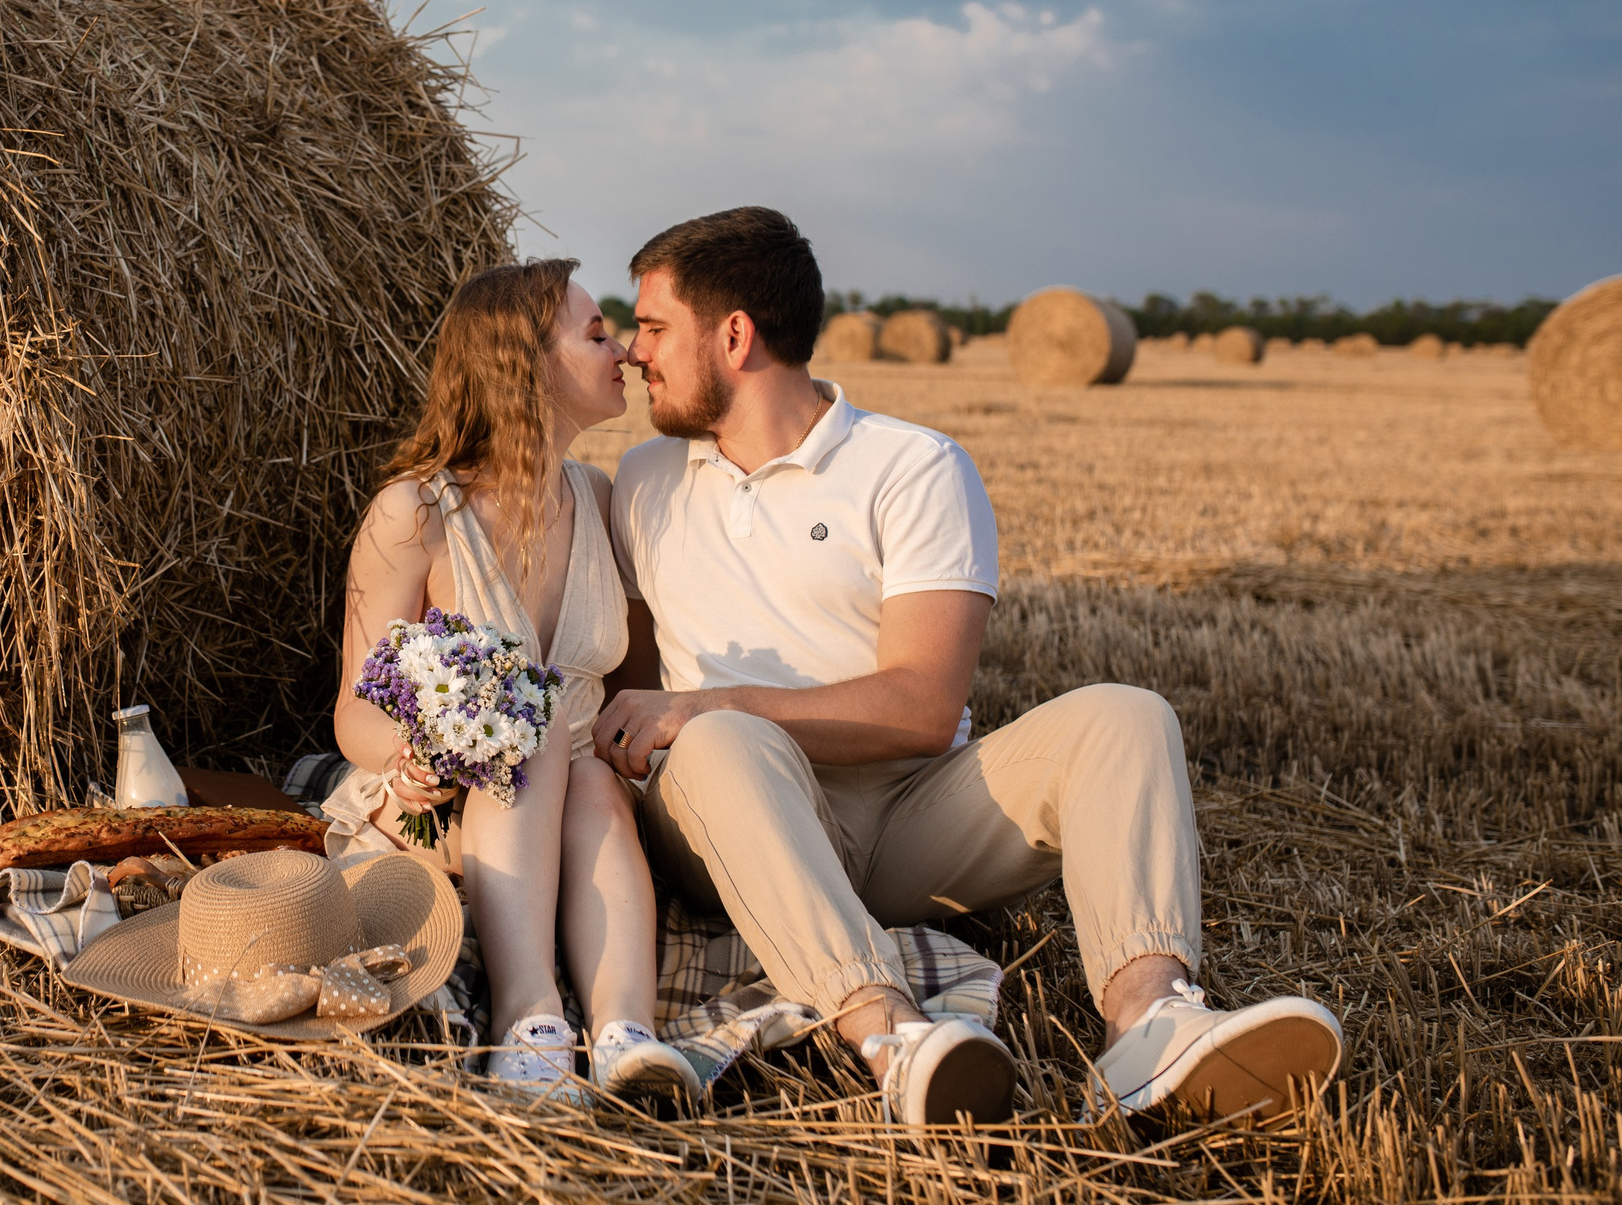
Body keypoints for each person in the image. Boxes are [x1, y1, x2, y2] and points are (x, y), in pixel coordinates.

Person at [595, 207, 1345, 1128]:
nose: (635, 351)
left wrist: (706, 700)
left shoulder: (912, 468)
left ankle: (1150, 1021)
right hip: (731, 811)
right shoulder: (643, 481)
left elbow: (919, 704)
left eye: (655, 327)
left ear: (735, 336)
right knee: (715, 741)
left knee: (1126, 712)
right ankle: (890, 1035)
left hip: (910, 813)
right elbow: (634, 702)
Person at [328, 259, 702, 1107]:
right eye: (598, 332)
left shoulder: (600, 498)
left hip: (579, 807)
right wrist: (415, 755)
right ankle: (531, 1017)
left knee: (595, 783)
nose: (627, 352)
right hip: (443, 801)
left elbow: (625, 694)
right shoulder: (415, 513)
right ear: (525, 361)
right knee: (524, 748)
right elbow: (355, 708)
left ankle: (624, 1034)